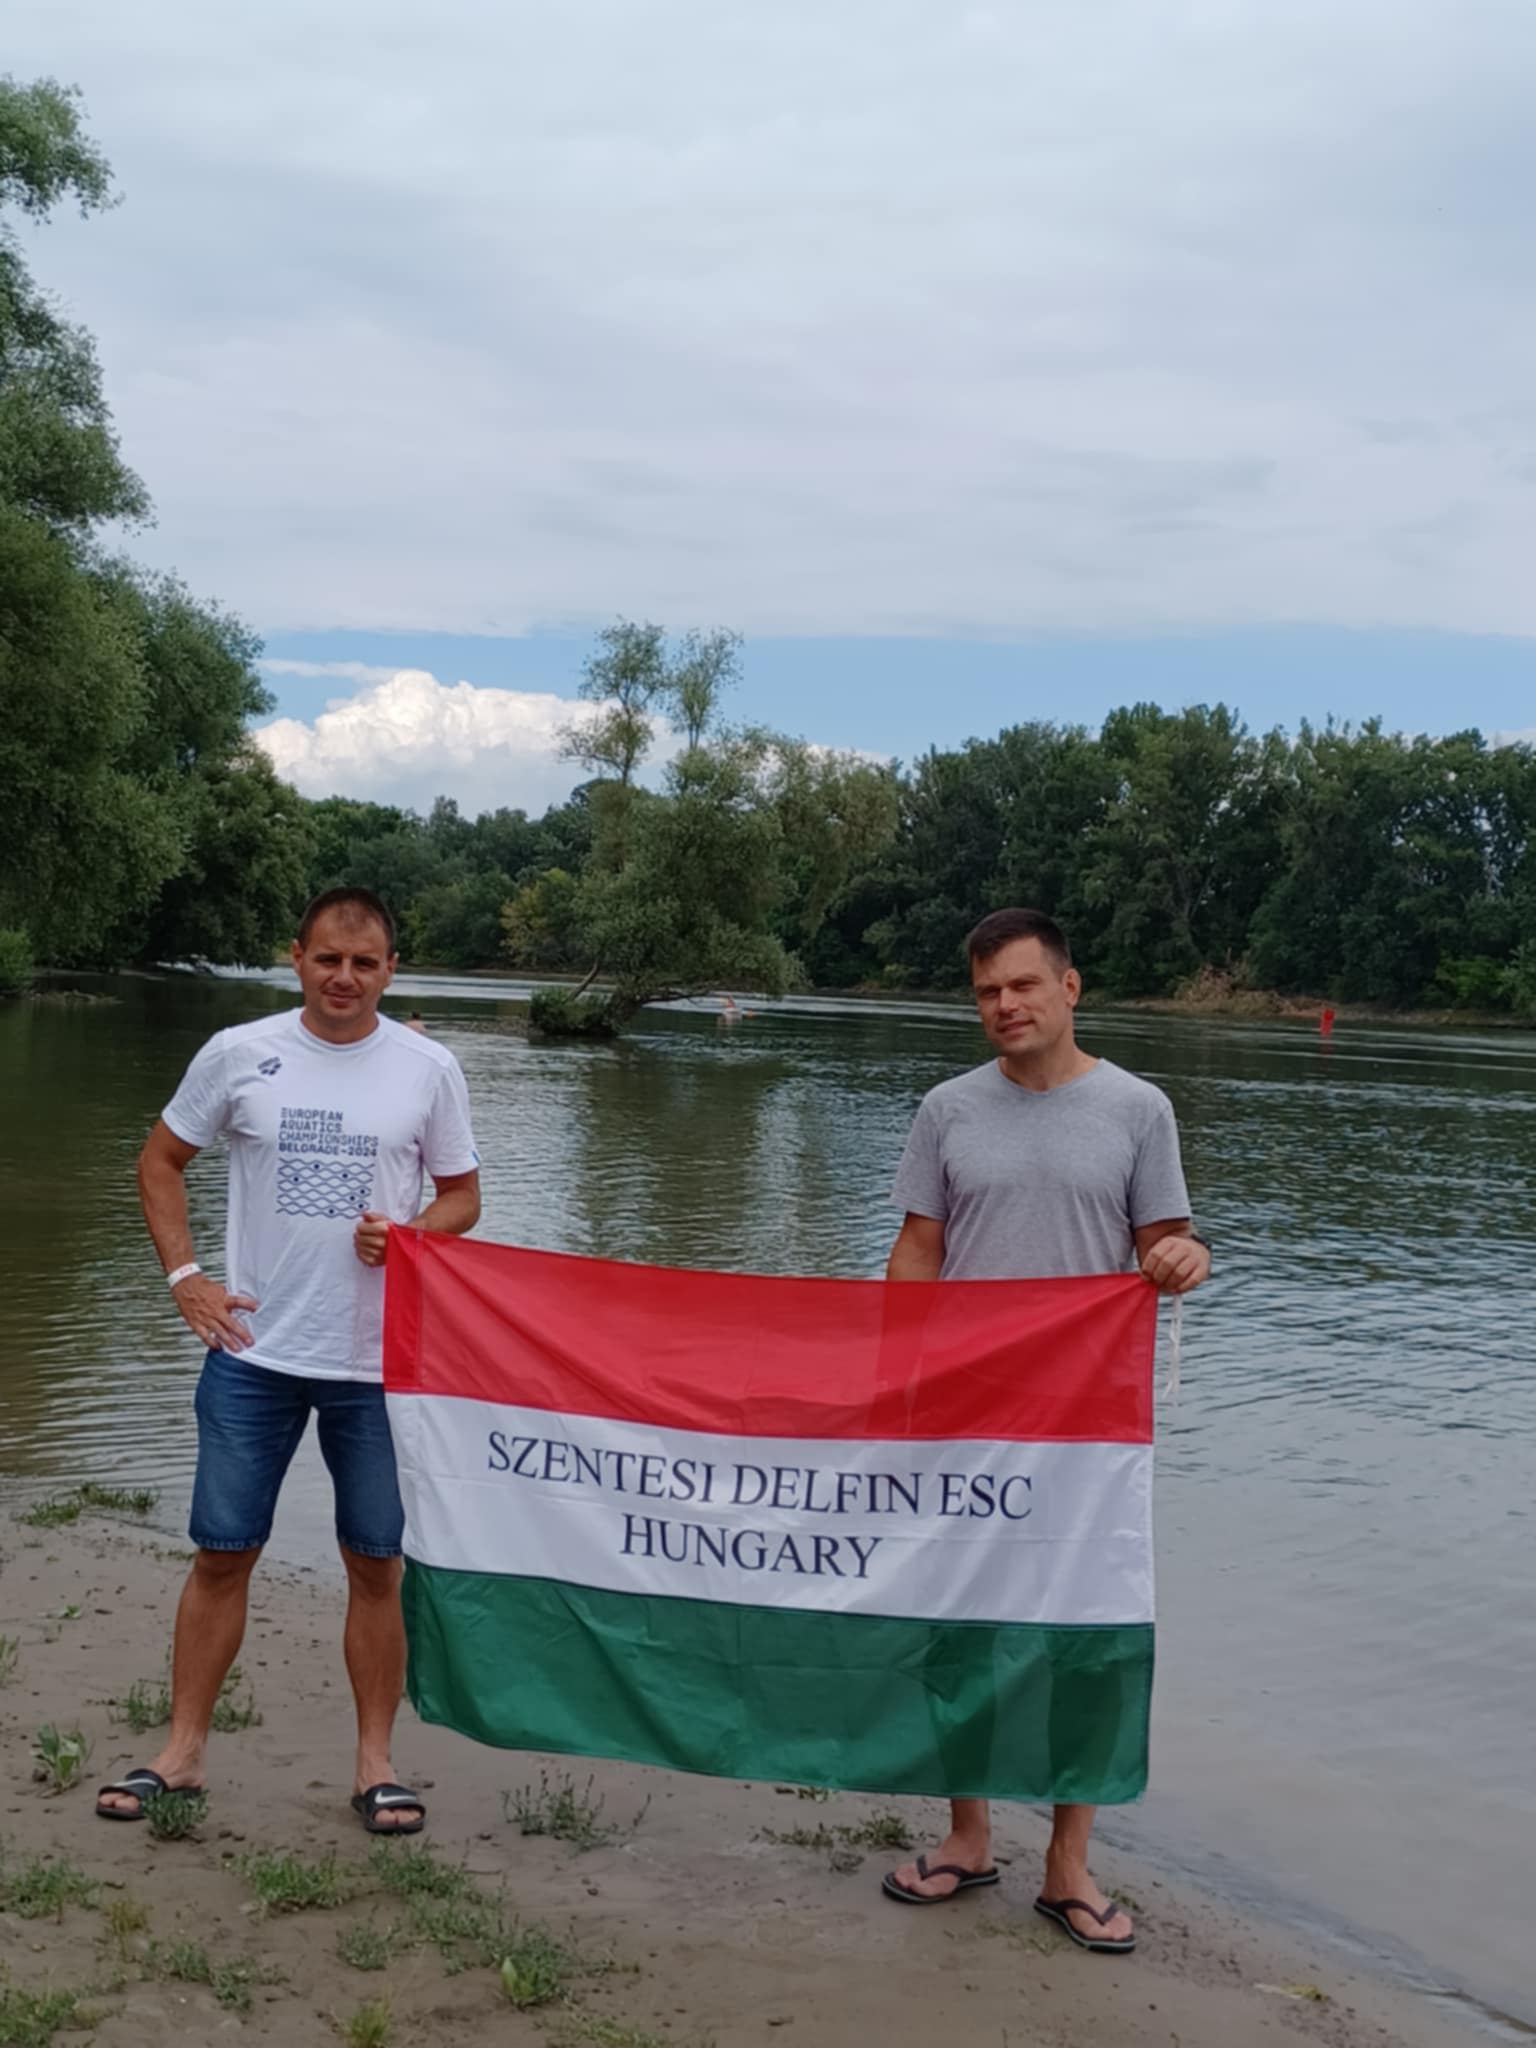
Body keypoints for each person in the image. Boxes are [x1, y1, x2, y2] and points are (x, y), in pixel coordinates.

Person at [96, 887, 481, 1836]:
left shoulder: (429, 1069)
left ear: (391, 970)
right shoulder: (239, 1053)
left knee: (376, 1564)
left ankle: (376, 1767)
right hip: (253, 1353)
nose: (345, 978)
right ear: (296, 958)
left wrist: (415, 1234)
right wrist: (186, 1277)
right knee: (222, 1553)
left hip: (378, 1365)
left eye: (365, 963)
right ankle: (181, 1754)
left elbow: (464, 1196)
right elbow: (158, 1162)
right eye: (328, 960)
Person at [879, 907, 1209, 1954]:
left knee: (1084, 1637)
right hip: (964, 1413)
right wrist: (891, 1379)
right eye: (987, 991)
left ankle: (1069, 1863)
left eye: (1023, 984)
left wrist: (1187, 1258)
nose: (1005, 1005)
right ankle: (967, 1834)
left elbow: (1167, 1241)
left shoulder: (1139, 1109)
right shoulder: (946, 1109)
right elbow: (917, 1250)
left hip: (1084, 1427)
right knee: (959, 1630)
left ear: (1071, 987)